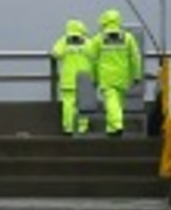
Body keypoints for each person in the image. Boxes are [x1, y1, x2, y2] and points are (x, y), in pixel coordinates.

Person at [85, 7, 143, 137]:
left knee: (111, 102)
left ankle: (116, 125)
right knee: (118, 103)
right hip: (123, 76)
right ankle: (111, 129)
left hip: (106, 77)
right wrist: (136, 75)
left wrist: (93, 77)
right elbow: (135, 57)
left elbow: (92, 60)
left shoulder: (98, 39)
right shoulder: (128, 38)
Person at [50, 17, 92, 135]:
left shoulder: (64, 41)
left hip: (68, 79)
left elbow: (55, 53)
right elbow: (95, 55)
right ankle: (82, 127)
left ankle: (68, 127)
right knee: (83, 104)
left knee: (68, 103)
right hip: (84, 79)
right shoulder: (87, 42)